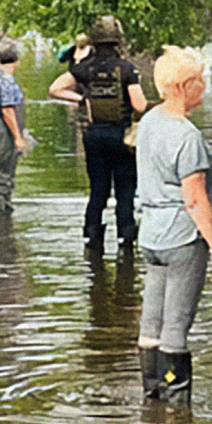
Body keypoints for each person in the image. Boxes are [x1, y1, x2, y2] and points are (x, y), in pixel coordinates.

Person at [134, 46, 212, 406]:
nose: (204, 87)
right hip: (183, 239)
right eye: (201, 81)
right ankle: (176, 415)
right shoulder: (187, 136)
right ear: (183, 86)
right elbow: (194, 199)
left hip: (152, 235)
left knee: (150, 324)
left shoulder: (149, 123)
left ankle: (151, 403)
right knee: (176, 327)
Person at [48, 16, 147, 253]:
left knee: (98, 190)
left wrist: (82, 99)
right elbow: (140, 105)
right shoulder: (126, 69)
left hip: (93, 137)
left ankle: (92, 241)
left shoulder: (84, 68)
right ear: (117, 41)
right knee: (125, 191)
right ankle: (125, 240)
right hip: (122, 137)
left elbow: (55, 89)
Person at [0, 44, 28, 215]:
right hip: (4, 139)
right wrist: (18, 137)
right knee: (3, 179)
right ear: (15, 62)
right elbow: (8, 110)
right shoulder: (8, 82)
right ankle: (0, 226)